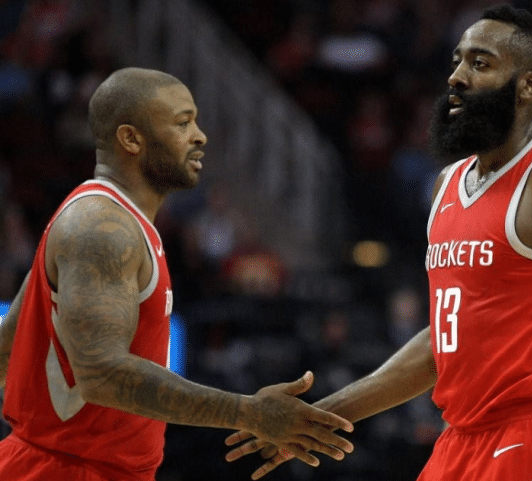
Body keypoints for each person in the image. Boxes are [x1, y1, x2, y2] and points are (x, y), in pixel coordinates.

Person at [225, 5, 532, 481]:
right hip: (461, 439)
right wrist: (321, 414)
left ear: (527, 86)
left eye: (480, 63)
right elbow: (444, 341)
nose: (456, 76)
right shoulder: (446, 185)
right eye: (457, 60)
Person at [0, 67, 354, 481]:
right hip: (64, 471)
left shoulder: (113, 221)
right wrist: (248, 412)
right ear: (131, 139)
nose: (200, 136)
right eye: (182, 123)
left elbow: (7, 349)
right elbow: (101, 374)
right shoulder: (100, 228)